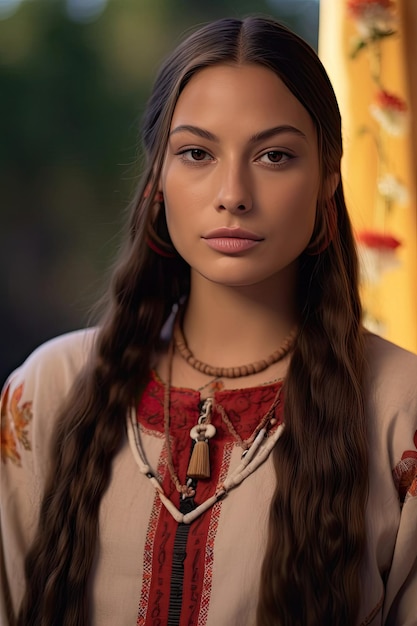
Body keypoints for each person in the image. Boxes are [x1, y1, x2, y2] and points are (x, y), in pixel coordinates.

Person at [1, 15, 416, 626]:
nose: (233, 192)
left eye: (275, 155)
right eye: (196, 152)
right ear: (158, 180)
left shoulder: (400, 410)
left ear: (330, 178)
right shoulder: (50, 390)